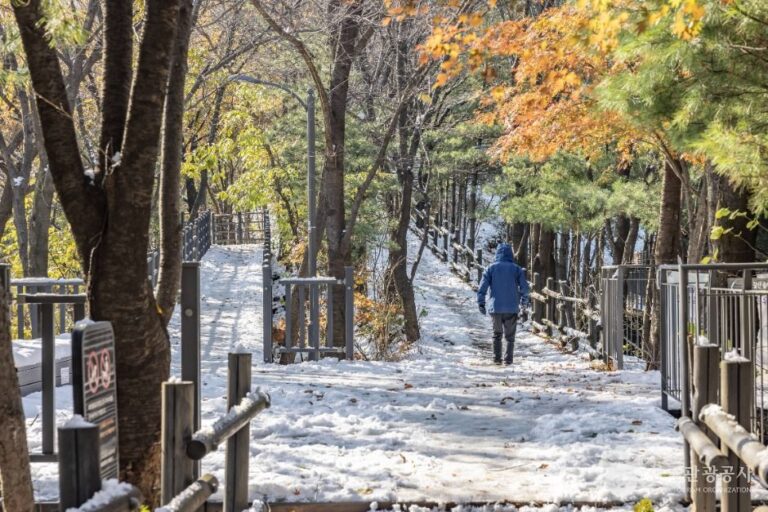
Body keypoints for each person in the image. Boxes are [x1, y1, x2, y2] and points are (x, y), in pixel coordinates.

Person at [477, 243, 530, 365]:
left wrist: (481, 302)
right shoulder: (516, 269)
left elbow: (482, 287)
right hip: (512, 308)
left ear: (497, 254)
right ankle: (508, 360)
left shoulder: (490, 268)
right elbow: (525, 289)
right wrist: (524, 301)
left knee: (497, 334)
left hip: (495, 308)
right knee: (510, 337)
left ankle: (496, 359)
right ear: (510, 254)